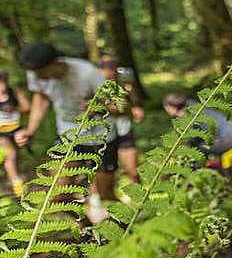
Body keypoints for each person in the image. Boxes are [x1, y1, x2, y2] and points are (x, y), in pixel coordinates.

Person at [16, 42, 115, 222]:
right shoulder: (35, 73)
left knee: (106, 196)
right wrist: (30, 130)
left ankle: (129, 228)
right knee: (58, 197)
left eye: (41, 72)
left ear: (56, 63)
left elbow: (118, 105)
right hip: (68, 137)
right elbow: (41, 97)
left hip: (101, 138)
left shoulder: (88, 73)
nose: (36, 77)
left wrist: (98, 105)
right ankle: (88, 229)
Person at [162, 93, 232, 176]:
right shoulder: (195, 105)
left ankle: (198, 176)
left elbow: (193, 139)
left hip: (227, 139)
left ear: (171, 107)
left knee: (197, 148)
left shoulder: (186, 115)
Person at [98, 55, 143, 188]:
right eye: (108, 75)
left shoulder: (125, 74)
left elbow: (131, 91)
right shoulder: (92, 80)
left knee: (132, 170)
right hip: (102, 132)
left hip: (123, 127)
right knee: (102, 171)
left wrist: (136, 106)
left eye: (114, 73)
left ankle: (137, 193)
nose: (112, 77)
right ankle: (100, 197)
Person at [0, 70, 31, 196]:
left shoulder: (14, 92)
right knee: (10, 154)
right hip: (1, 132)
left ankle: (12, 178)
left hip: (16, 129)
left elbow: (27, 108)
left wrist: (15, 109)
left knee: (16, 155)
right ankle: (17, 185)